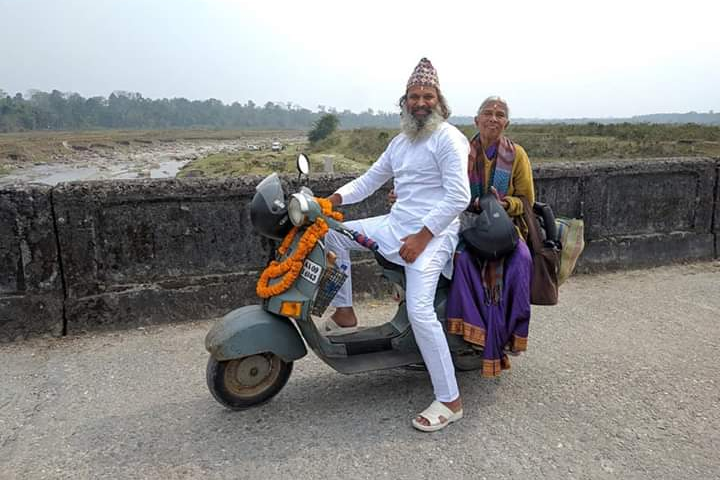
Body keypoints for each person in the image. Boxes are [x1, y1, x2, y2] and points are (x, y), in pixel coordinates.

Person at [324, 58, 470, 432]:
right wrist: (330, 203)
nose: (420, 102)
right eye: (413, 96)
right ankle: (344, 312)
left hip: (434, 234)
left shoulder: (448, 138)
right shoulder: (400, 142)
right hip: (395, 224)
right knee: (331, 233)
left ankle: (449, 400)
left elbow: (458, 197)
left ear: (439, 101)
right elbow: (369, 181)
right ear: (404, 102)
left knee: (420, 311)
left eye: (427, 96)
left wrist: (422, 238)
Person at [446, 96, 535, 378]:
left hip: (503, 227)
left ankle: (509, 334)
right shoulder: (460, 153)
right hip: (470, 227)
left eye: (499, 114)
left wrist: (504, 205)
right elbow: (444, 188)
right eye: (488, 113)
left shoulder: (517, 154)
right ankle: (474, 337)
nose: (493, 118)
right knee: (462, 261)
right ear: (476, 120)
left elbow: (526, 199)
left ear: (506, 123)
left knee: (521, 260)